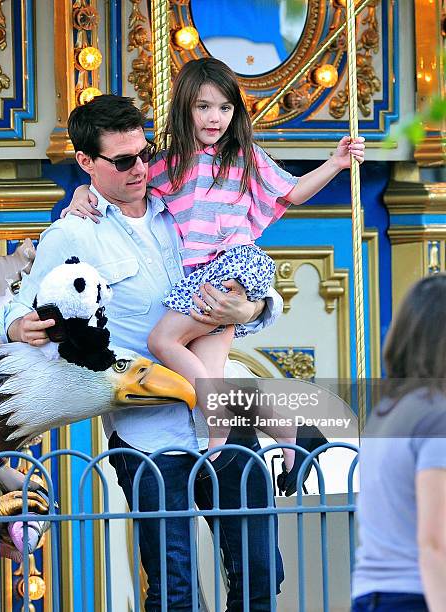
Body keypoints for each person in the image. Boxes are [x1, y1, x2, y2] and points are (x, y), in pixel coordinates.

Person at [0, 94, 287, 611]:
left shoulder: (180, 200)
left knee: (261, 575)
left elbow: (246, 265)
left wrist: (255, 309)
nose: (141, 168)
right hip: (150, 431)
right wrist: (17, 325)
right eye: (124, 160)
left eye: (145, 153)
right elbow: (18, 307)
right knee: (174, 589)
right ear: (86, 162)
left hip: (223, 413)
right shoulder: (73, 231)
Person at [62, 57, 365, 486]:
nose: (215, 117)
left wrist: (334, 164)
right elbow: (121, 181)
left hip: (230, 266)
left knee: (163, 340)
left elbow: (293, 191)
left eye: (225, 108)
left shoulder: (245, 157)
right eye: (204, 107)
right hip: (201, 277)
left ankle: (225, 442)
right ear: (185, 108)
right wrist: (81, 191)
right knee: (212, 375)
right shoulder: (169, 163)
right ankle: (293, 439)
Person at [351, 274, 446, 611]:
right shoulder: (436, 417)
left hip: (372, 593)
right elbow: (435, 542)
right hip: (418, 593)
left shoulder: (387, 412)